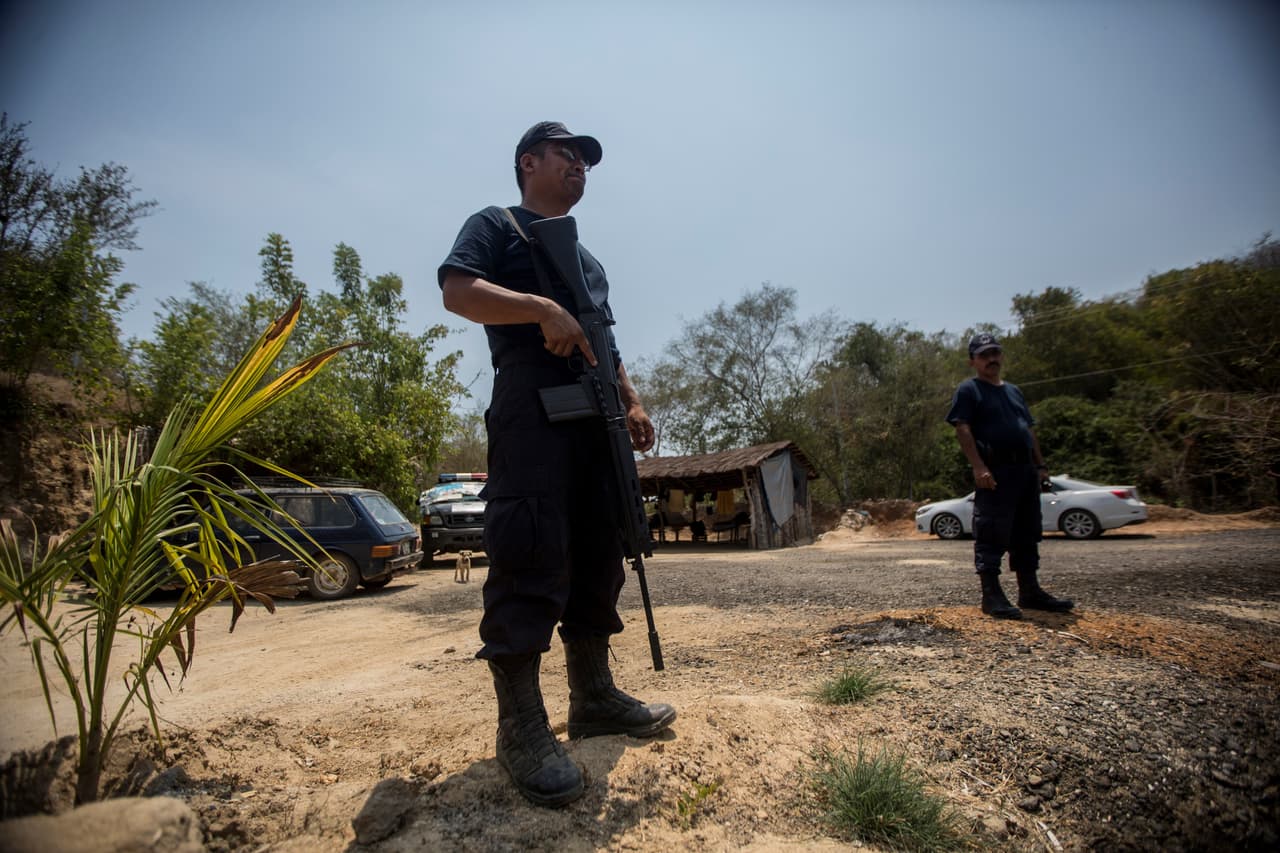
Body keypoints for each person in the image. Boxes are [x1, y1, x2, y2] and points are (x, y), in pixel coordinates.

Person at [437, 121, 676, 807]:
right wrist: (539, 308)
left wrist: (631, 400)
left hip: (597, 415)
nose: (580, 168)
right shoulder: (497, 225)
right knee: (531, 546)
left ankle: (593, 696)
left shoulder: (590, 260)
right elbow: (458, 291)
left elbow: (607, 336)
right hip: (532, 409)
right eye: (568, 156)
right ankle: (521, 726)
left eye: (585, 162)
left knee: (602, 549)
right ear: (528, 162)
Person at [945, 333, 1074, 620]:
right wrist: (979, 467)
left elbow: (1028, 430)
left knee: (1027, 530)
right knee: (991, 530)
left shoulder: (1014, 391)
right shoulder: (970, 390)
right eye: (984, 355)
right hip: (995, 470)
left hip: (1024, 470)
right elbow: (962, 428)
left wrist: (1040, 466)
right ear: (973, 361)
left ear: (1001, 355)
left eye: (995, 353)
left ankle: (1030, 591)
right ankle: (991, 595)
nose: (991, 359)